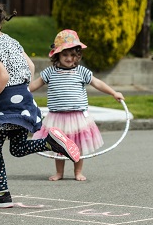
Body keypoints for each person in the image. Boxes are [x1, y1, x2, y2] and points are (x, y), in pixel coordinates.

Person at [0, 0, 80, 209]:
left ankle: (1, 194)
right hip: (23, 101)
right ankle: (49, 142)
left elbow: (2, 76)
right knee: (17, 147)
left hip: (5, 106)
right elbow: (31, 67)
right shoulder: (12, 42)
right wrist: (22, 92)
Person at [30, 29, 125, 181]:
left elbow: (97, 82)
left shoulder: (81, 71)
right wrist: (21, 93)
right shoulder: (50, 72)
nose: (69, 58)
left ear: (78, 56)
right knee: (57, 144)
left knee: (78, 145)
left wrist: (113, 92)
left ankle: (77, 172)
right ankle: (59, 173)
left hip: (77, 116)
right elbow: (35, 84)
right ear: (57, 55)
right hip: (57, 116)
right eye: (65, 55)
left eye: (73, 55)